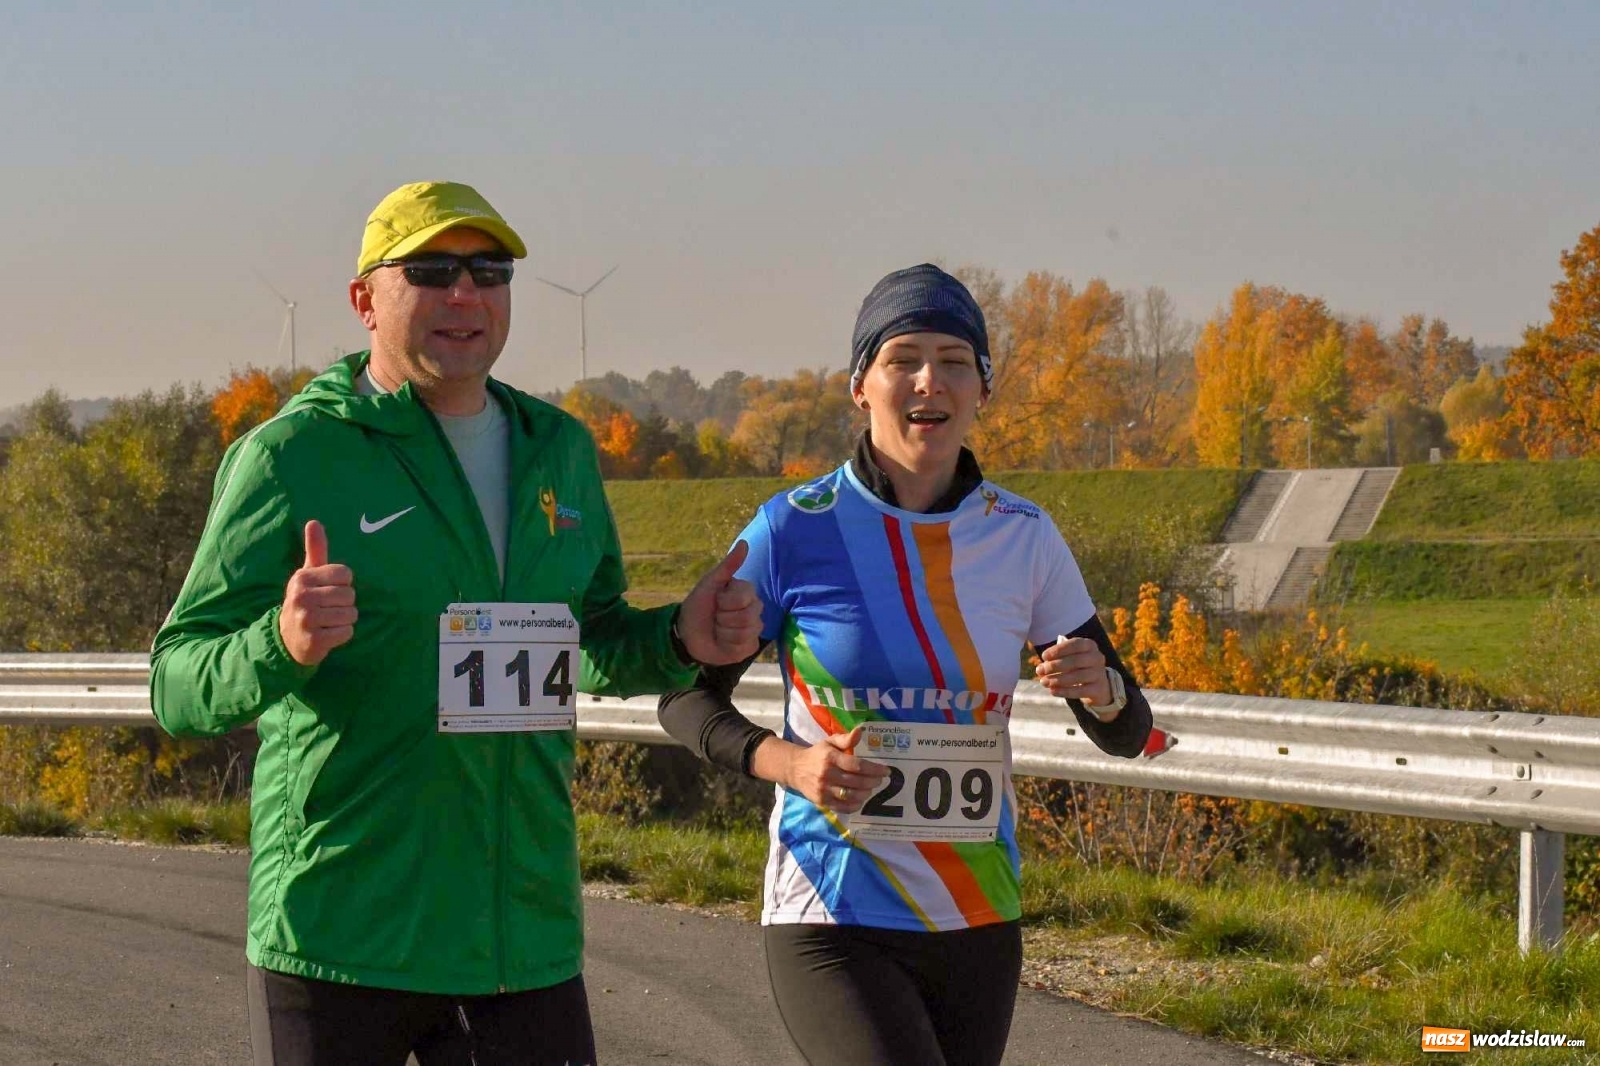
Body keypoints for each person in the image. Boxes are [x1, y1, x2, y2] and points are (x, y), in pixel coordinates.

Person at [150, 180, 762, 1066]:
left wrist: (679, 641)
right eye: (432, 270)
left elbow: (589, 639)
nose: (465, 294)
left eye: (490, 270)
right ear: (365, 300)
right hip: (340, 934)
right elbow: (174, 681)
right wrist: (276, 645)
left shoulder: (560, 449)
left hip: (522, 936)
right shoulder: (293, 456)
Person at [658, 264, 1153, 1066]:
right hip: (832, 907)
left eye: (956, 361)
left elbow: (1130, 730)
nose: (931, 381)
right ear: (861, 385)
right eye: (903, 359)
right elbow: (682, 700)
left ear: (983, 388)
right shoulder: (792, 529)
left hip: (977, 914)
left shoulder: (1024, 536)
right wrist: (792, 764)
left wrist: (1101, 693)